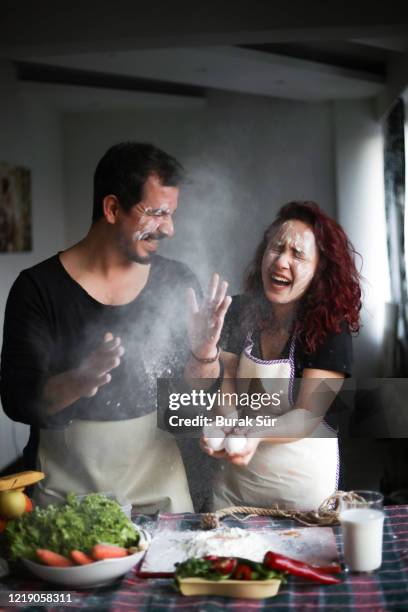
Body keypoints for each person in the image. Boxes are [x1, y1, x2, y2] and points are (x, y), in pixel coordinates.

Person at [0, 142, 201, 513]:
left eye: (171, 214)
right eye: (156, 213)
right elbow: (17, 400)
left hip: (161, 494)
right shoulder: (38, 288)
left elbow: (192, 405)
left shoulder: (177, 282)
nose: (169, 228)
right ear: (111, 208)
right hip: (66, 499)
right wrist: (79, 380)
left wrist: (205, 358)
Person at [186, 202, 361, 511]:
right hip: (235, 491)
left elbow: (308, 415)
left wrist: (253, 433)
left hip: (303, 494)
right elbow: (227, 393)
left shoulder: (330, 328)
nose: (281, 261)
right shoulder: (238, 311)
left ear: (319, 271)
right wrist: (222, 428)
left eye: (298, 255)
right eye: (276, 248)